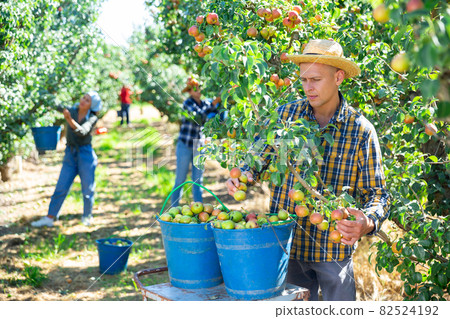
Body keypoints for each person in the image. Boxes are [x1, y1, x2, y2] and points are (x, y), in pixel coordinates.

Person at [226, 39, 390, 301]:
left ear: (338, 77)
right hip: (286, 248)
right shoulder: (285, 118)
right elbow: (255, 162)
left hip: (333, 251)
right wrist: (241, 178)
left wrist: (367, 222)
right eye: (303, 80)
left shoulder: (361, 130)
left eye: (315, 79)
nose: (308, 87)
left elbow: (378, 193)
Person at [32, 91, 102, 227]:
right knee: (61, 186)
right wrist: (45, 93)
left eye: (87, 100)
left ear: (91, 106)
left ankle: (87, 216)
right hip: (70, 153)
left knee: (88, 189)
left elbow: (83, 132)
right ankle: (50, 217)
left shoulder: (92, 118)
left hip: (85, 154)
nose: (83, 101)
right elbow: (58, 106)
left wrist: (69, 120)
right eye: (84, 97)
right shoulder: (72, 110)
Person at [171, 77, 220, 207]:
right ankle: (173, 210)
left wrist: (217, 103)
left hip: (199, 146)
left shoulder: (205, 104)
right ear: (190, 92)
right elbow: (197, 117)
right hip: (185, 146)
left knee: (198, 181)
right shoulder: (188, 103)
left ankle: (199, 210)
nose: (198, 91)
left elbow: (217, 115)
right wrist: (214, 103)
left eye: (199, 88)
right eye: (194, 89)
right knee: (180, 180)